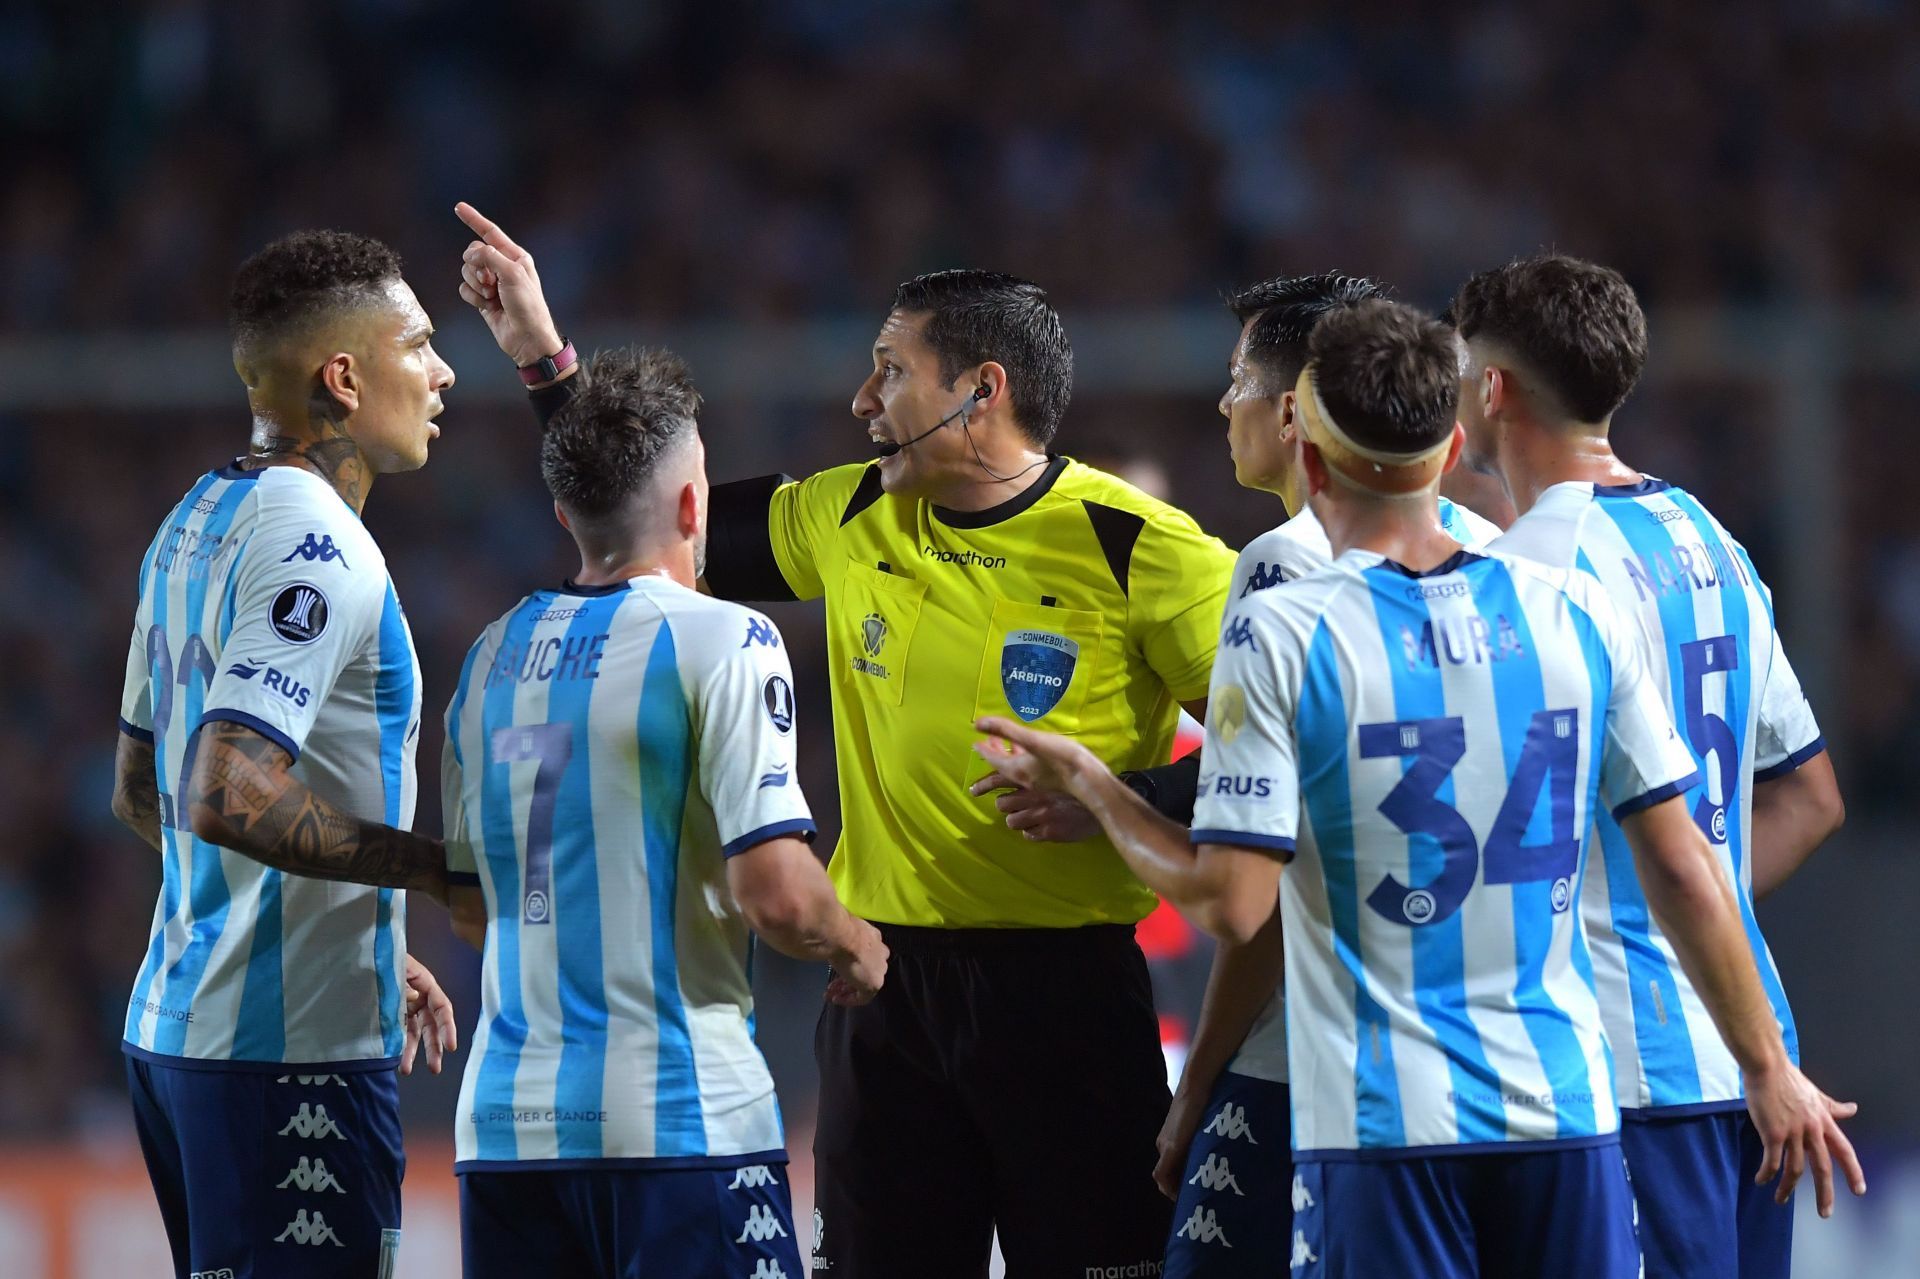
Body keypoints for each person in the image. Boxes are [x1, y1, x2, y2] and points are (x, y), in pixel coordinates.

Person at [972, 299, 1863, 1278]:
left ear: (1309, 461)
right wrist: (1769, 1067)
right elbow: (1695, 864)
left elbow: (1233, 902)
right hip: (1563, 1107)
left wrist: (1103, 791)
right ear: (1449, 450)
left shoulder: (1290, 626)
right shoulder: (1568, 610)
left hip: (1387, 1119)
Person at [453, 201, 1235, 1277]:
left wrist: (1121, 789)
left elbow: (1295, 734)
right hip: (885, 1000)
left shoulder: (1137, 546)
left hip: (1066, 1003)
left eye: (889, 371)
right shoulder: (850, 511)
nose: (862, 399)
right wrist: (547, 360)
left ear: (981, 389)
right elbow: (642, 510)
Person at [435, 346, 887, 1279]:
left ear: (565, 514)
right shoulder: (727, 637)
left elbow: (473, 903)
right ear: (694, 505)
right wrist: (858, 943)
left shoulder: (487, 657)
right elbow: (778, 893)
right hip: (681, 1123)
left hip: (506, 1132)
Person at [1454, 254, 1854, 1277]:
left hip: (1621, 1073)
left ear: (1491, 390)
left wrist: (1646, 922)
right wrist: (1703, 927)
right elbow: (1808, 798)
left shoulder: (1525, 580)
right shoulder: (1709, 537)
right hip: (1751, 1054)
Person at [109, 230, 460, 1278]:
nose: (441, 372)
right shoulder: (325, 547)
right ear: (344, 378)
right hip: (284, 1063)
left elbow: (144, 791)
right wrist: (430, 871)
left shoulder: (193, 519)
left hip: (175, 1036)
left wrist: (362, 925)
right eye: (421, 344)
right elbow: (225, 789)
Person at [1155, 271, 1508, 1278]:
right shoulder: (1495, 559)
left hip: (1318, 1052)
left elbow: (1255, 894)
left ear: (1291, 413)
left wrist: (1197, 1087)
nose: (1222, 406)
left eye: (1235, 383)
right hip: (1490, 1054)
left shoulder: (1280, 565)